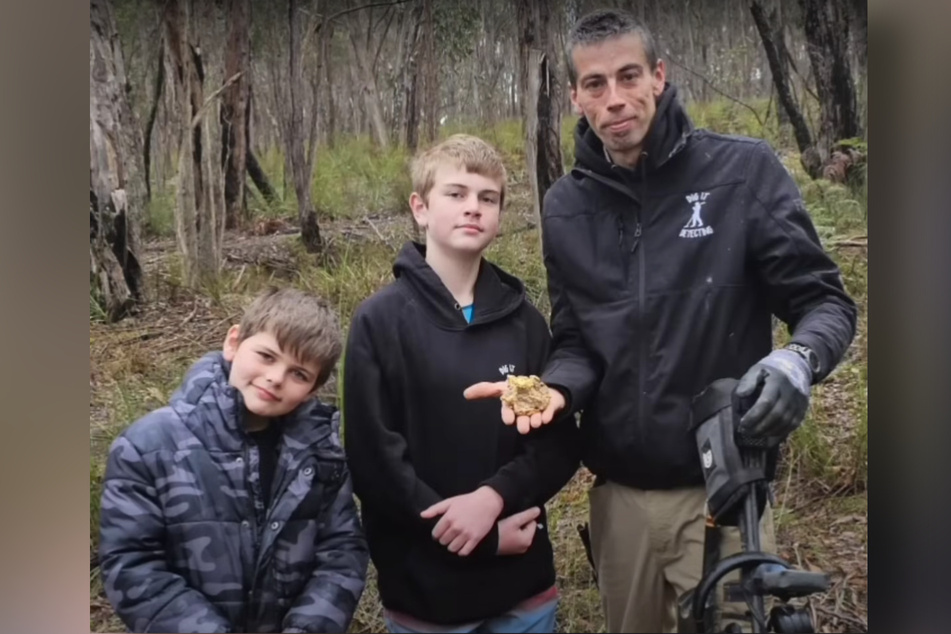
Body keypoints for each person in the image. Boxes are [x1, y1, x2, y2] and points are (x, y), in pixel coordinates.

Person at [464, 9, 858, 633]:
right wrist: (555, 391)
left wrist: (798, 360)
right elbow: (576, 339)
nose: (614, 99)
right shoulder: (566, 206)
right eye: (595, 84)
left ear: (659, 77)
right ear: (575, 95)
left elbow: (826, 303)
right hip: (619, 497)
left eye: (628, 77)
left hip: (724, 491)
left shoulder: (742, 172)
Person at [342, 134, 580, 633]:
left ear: (498, 216)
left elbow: (556, 446)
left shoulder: (525, 322)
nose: (473, 208)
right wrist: (477, 535)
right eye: (456, 193)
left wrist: (493, 498)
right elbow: (375, 464)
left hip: (523, 588)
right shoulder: (380, 321)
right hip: (427, 594)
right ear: (420, 208)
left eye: (487, 198)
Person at [98, 287, 369, 633]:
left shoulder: (321, 454)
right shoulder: (147, 446)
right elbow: (131, 563)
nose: (275, 378)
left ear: (313, 390)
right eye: (267, 356)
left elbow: (342, 552)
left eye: (298, 374)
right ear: (234, 342)